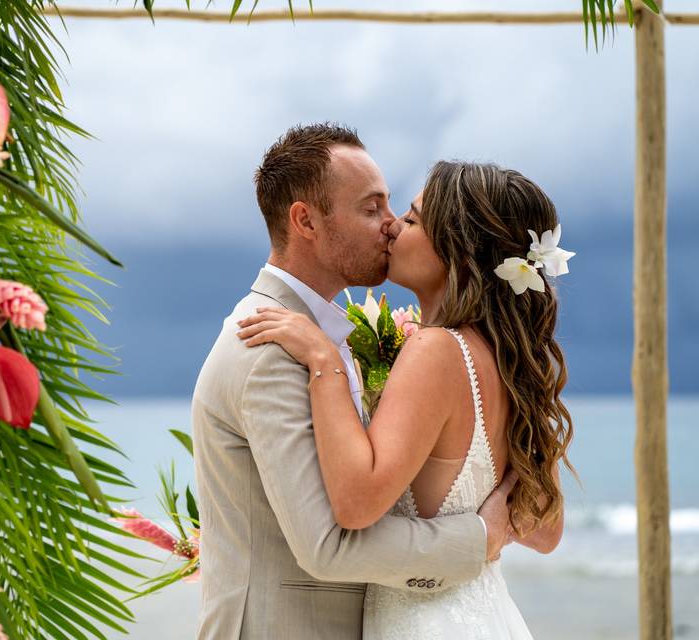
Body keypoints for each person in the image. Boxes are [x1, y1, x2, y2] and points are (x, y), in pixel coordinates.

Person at [192, 124, 517, 640]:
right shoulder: (269, 347)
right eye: (372, 209)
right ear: (306, 221)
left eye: (393, 209)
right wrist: (480, 539)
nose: (391, 226)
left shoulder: (326, 336)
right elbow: (327, 545)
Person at [236, 160, 575, 638]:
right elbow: (546, 531)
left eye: (413, 220)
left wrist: (324, 361)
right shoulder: (512, 363)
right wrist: (485, 528)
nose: (393, 225)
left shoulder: (436, 349)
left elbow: (356, 505)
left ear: (457, 252)